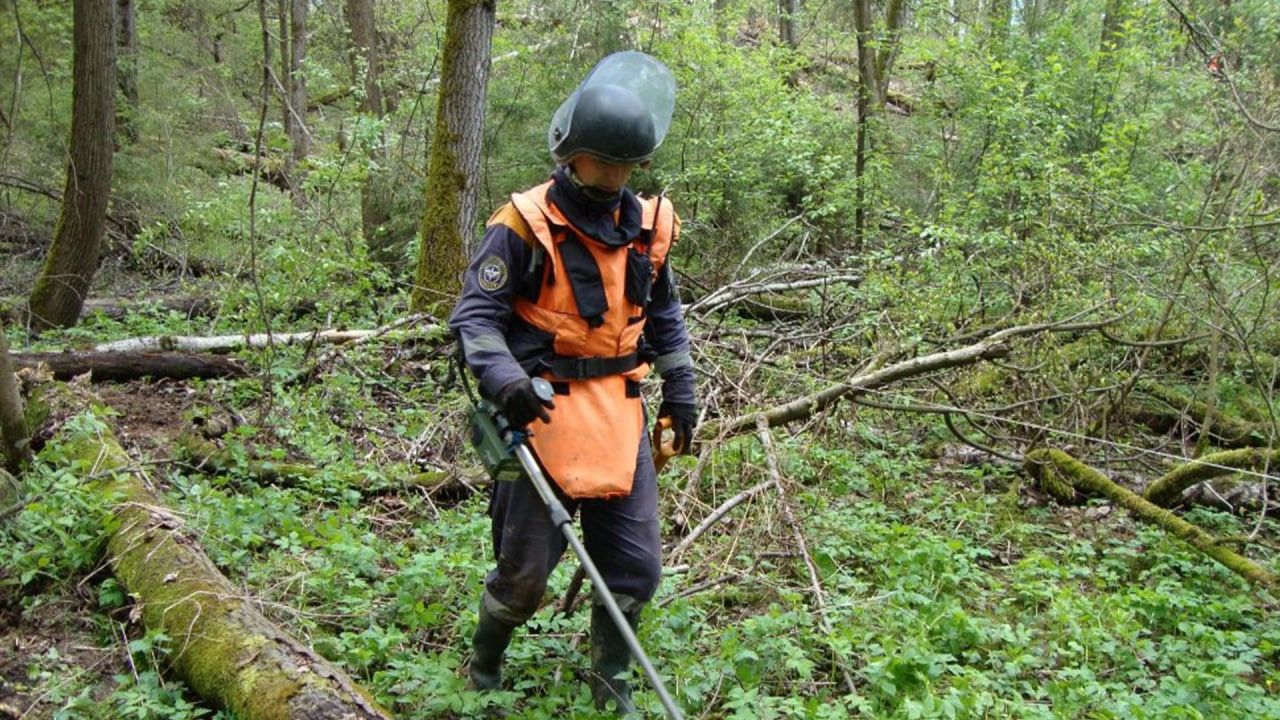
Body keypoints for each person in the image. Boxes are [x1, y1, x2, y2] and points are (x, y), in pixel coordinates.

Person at [448, 51, 696, 715]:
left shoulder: (647, 230)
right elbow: (474, 318)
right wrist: (505, 381)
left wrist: (683, 394)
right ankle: (485, 660)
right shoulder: (523, 224)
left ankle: (610, 683)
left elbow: (663, 320)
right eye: (604, 164)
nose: (615, 178)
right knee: (526, 575)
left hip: (619, 416)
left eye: (626, 167)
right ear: (573, 154)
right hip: (540, 415)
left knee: (635, 571)